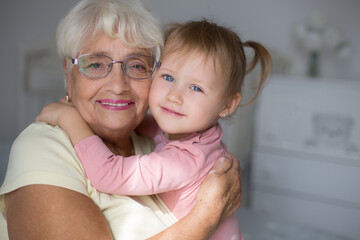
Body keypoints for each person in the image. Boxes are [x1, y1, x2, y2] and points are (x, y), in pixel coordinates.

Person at [0, 0, 242, 239]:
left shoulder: (156, 142)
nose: (117, 86)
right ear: (68, 74)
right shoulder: (44, 147)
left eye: (136, 65)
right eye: (95, 64)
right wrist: (207, 216)